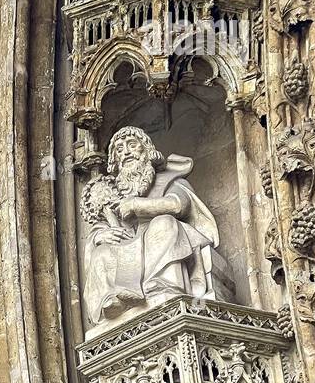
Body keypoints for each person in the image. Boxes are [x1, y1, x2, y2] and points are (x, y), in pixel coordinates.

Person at [83, 125, 220, 334]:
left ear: (146, 151)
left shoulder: (169, 179)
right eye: (119, 150)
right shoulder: (116, 193)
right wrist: (99, 236)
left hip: (160, 238)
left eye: (131, 145)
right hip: (132, 250)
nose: (126, 152)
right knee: (101, 253)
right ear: (115, 162)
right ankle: (113, 301)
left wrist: (137, 205)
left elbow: (177, 205)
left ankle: (161, 285)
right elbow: (105, 229)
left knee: (164, 223)